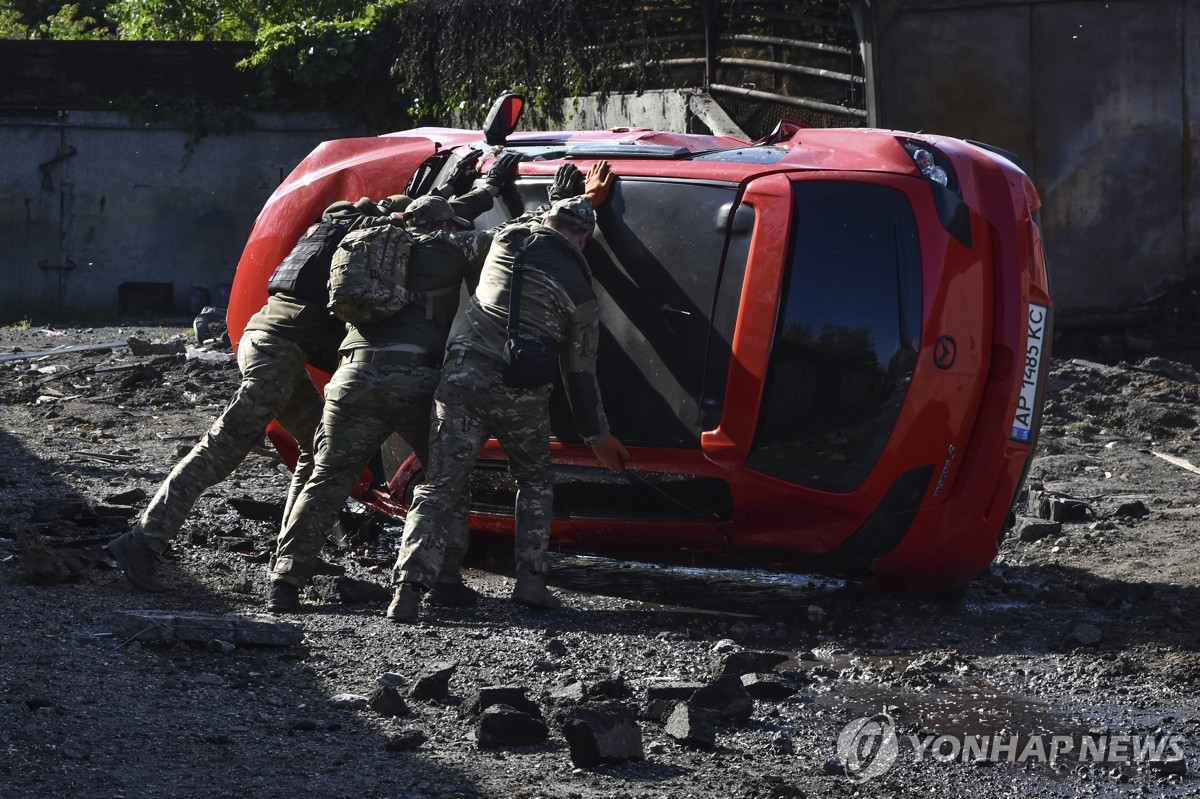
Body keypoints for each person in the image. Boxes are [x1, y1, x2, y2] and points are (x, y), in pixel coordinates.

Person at [265, 153, 523, 613]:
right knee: (445, 479)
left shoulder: (376, 243)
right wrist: (565, 201)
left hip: (350, 378)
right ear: (447, 225)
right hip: (413, 378)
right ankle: (443, 579)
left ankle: (285, 579)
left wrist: (473, 193)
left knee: (326, 477)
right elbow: (512, 239)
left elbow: (445, 213)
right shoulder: (451, 248)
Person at [386, 167, 628, 624]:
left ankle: (407, 590)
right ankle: (532, 584)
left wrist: (574, 199)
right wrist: (597, 436)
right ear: (581, 243)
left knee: (440, 484)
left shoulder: (506, 240)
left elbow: (537, 219)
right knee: (534, 480)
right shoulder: (581, 296)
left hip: (461, 379)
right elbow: (581, 373)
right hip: (523, 391)